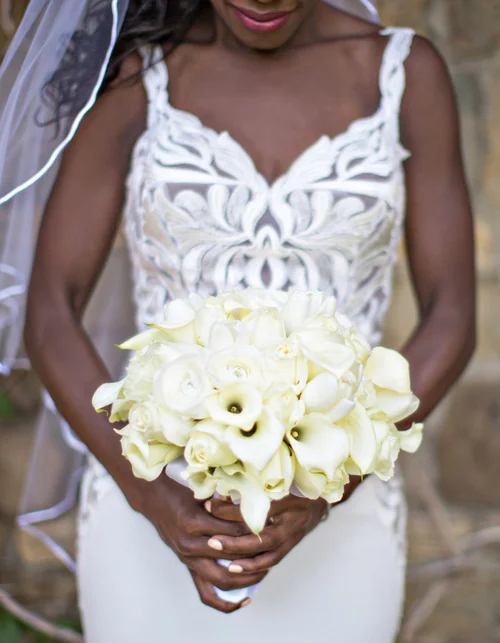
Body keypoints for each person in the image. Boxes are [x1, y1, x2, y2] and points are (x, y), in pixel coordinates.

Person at [1, 0, 475, 640]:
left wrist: (329, 490)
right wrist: (154, 500)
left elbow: (452, 315)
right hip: (150, 504)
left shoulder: (407, 73)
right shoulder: (138, 76)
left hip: (339, 511)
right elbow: (52, 309)